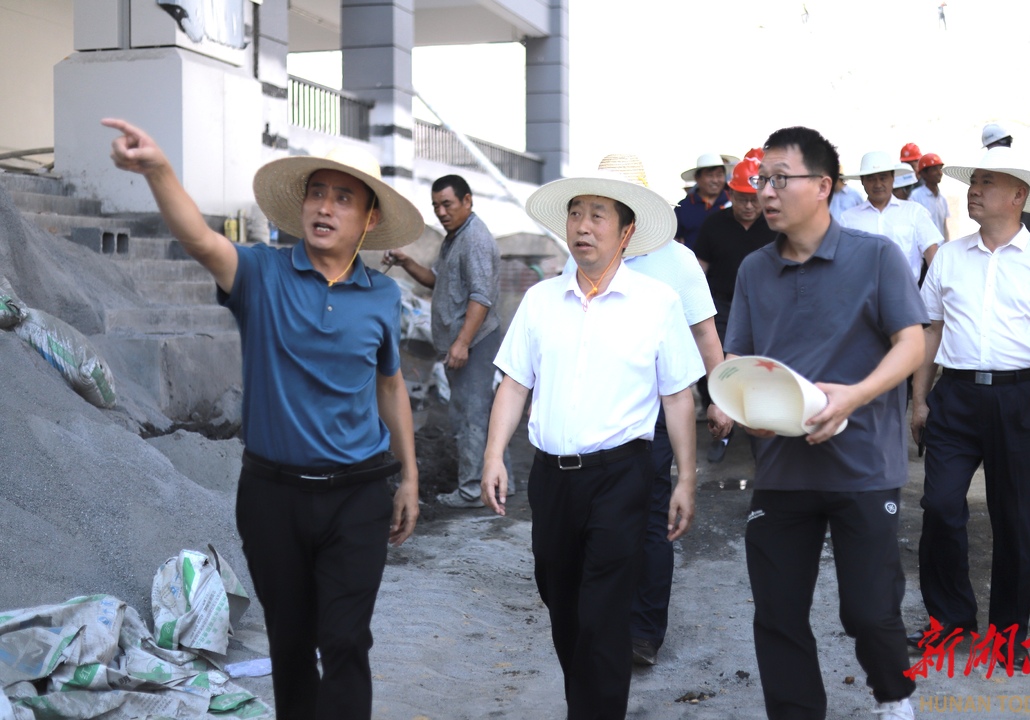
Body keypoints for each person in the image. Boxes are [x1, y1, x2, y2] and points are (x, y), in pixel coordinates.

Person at [103, 119, 422, 720]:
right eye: (317, 194)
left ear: (370, 219)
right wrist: (157, 170)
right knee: (293, 646)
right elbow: (200, 240)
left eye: (343, 197)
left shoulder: (382, 296)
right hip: (272, 496)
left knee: (347, 640)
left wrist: (409, 476)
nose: (324, 207)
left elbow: (390, 383)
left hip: (358, 496)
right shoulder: (261, 274)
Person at [479, 160, 704, 719]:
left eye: (597, 215)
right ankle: (586, 699)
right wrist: (493, 455)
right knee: (561, 600)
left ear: (625, 232)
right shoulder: (539, 301)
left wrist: (686, 478)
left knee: (604, 611)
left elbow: (678, 397)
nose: (582, 225)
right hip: (552, 477)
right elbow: (513, 383)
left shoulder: (657, 304)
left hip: (622, 476)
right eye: (575, 213)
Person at [727, 126, 926, 720]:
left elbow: (912, 345)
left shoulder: (875, 256)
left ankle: (894, 696)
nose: (766, 192)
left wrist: (856, 396)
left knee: (868, 611)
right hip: (783, 471)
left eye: (780, 179)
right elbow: (741, 365)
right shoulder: (753, 271)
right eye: (763, 179)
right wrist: (745, 414)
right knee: (779, 613)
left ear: (823, 186)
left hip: (863, 466)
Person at [908, 147, 1030, 671]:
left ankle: (1008, 637)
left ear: (1018, 196)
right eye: (973, 181)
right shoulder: (950, 258)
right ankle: (949, 622)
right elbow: (931, 330)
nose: (973, 190)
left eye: (986, 182)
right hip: (954, 398)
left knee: (1015, 519)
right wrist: (919, 397)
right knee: (939, 507)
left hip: (1022, 399)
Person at [560, 154, 731, 669]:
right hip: (591, 412)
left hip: (654, 411)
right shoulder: (581, 257)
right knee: (594, 520)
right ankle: (600, 619)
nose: (590, 223)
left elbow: (704, 332)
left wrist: (720, 394)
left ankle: (642, 631)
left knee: (650, 521)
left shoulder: (675, 261)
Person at [383, 174, 513, 508]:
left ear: (467, 201)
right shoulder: (455, 237)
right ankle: (502, 483)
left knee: (469, 416)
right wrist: (406, 260)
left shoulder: (475, 240)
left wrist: (462, 343)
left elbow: (481, 297)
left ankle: (472, 491)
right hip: (465, 342)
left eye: (448, 204)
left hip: (475, 342)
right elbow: (437, 280)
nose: (441, 212)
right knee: (481, 413)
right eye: (436, 206)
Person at [695, 153, 774, 463]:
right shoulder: (714, 224)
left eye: (754, 199)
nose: (749, 206)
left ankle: (760, 430)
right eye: (742, 199)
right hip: (722, 306)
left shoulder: (773, 224)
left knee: (759, 369)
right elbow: (699, 269)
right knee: (719, 367)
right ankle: (722, 428)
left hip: (765, 308)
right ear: (730, 194)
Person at [841, 150, 942, 282]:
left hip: (905, 295)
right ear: (862, 181)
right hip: (862, 297)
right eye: (871, 179)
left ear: (892, 178)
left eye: (883, 178)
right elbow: (842, 262)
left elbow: (931, 252)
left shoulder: (914, 212)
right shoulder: (848, 219)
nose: (878, 184)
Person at [675, 152, 735, 250]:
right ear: (697, 178)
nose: (715, 180)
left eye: (719, 175)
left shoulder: (734, 202)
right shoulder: (683, 207)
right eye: (710, 175)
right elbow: (676, 239)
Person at [909, 153, 950, 240]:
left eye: (940, 169)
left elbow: (944, 227)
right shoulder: (915, 197)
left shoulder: (942, 200)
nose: (939, 173)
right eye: (934, 169)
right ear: (924, 174)